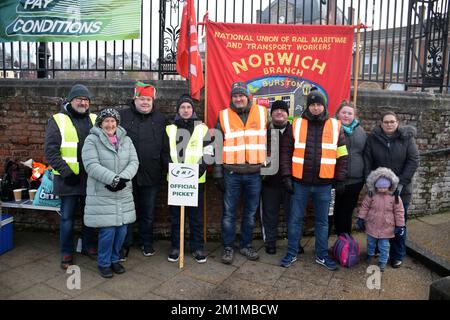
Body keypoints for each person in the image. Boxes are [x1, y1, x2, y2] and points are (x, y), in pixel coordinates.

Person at [279, 88, 348, 269]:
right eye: (312, 105)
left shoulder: (335, 125)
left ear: (324, 106)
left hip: (325, 184)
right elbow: (285, 152)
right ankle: (292, 253)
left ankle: (321, 255)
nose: (315, 108)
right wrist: (286, 176)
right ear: (308, 106)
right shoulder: (296, 124)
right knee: (295, 219)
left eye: (318, 104)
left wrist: (340, 179)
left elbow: (343, 155)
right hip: (299, 182)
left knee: (322, 221)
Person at [44, 84, 98, 270]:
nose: (83, 102)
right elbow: (50, 152)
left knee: (89, 216)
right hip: (68, 179)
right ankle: (66, 252)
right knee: (67, 217)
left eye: (86, 100)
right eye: (79, 99)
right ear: (70, 100)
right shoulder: (58, 120)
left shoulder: (94, 119)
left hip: (90, 179)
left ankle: (88, 246)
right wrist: (67, 173)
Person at [213, 82, 268, 265]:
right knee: (229, 213)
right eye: (235, 96)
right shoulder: (223, 116)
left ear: (248, 96)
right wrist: (218, 172)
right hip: (232, 173)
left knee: (250, 213)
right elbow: (217, 145)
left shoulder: (262, 113)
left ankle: (246, 245)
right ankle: (228, 247)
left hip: (255, 173)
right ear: (232, 98)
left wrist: (269, 169)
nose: (238, 98)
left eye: (241, 95)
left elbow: (272, 142)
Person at [82, 108, 139, 278]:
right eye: (106, 121)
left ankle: (115, 260)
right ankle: (104, 262)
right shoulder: (92, 140)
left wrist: (122, 179)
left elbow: (134, 162)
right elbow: (91, 165)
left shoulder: (126, 140)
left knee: (122, 230)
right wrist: (113, 179)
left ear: (117, 123)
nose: (110, 124)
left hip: (123, 190)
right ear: (100, 123)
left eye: (113, 121)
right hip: (103, 191)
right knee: (108, 231)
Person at [119, 82, 169, 259]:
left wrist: (166, 170)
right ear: (135, 99)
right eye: (142, 99)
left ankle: (146, 243)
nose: (145, 103)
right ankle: (124, 245)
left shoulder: (161, 119)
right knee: (126, 211)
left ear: (153, 101)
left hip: (152, 173)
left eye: (148, 99)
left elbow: (165, 148)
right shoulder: (122, 116)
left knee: (148, 212)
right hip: (126, 173)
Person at [364, 111, 419, 268]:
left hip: (401, 191)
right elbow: (368, 161)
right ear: (381, 123)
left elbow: (413, 160)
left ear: (398, 123)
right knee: (377, 219)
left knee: (398, 224)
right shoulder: (372, 139)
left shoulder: (407, 138)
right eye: (386, 122)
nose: (389, 124)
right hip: (378, 191)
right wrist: (369, 183)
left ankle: (396, 255)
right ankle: (376, 249)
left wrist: (400, 183)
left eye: (392, 121)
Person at [166, 94, 212, 264]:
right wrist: (173, 169)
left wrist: (198, 171)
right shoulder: (169, 129)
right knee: (176, 216)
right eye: (182, 107)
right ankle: (177, 247)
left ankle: (197, 247)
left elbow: (208, 154)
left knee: (196, 217)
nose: (185, 110)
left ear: (193, 110)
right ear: (178, 110)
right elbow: (164, 153)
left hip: (196, 180)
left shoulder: (203, 129)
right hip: (176, 181)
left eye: (188, 107)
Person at [261, 100, 303, 255]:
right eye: (276, 110)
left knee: (293, 215)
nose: (279, 112)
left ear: (288, 114)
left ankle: (295, 243)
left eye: (283, 110)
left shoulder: (295, 132)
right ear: (271, 114)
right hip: (269, 182)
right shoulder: (263, 132)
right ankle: (270, 242)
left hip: (291, 182)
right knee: (269, 215)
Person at [356, 167, 406, 272]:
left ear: (389, 186)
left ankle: (382, 262)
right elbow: (365, 206)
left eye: (384, 187)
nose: (381, 190)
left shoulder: (395, 197)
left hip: (387, 227)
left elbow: (399, 212)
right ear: (375, 186)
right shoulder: (371, 195)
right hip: (372, 225)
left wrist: (400, 225)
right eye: (379, 187)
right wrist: (361, 218)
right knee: (370, 242)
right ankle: (370, 255)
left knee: (384, 246)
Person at [330, 101, 367, 236]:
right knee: (330, 213)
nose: (346, 116)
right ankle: (322, 247)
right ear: (338, 113)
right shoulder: (331, 128)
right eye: (344, 112)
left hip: (355, 181)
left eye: (350, 113)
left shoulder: (360, 131)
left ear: (354, 115)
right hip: (334, 180)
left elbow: (365, 154)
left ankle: (345, 244)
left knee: (346, 213)